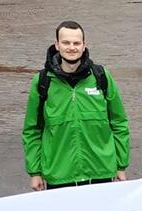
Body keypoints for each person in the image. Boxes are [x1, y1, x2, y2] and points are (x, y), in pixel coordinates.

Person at [21, 20, 130, 190]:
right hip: (59, 176)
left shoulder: (101, 77)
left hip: (100, 172)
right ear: (57, 45)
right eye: (66, 42)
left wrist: (120, 166)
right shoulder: (42, 82)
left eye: (76, 43)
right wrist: (35, 172)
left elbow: (119, 123)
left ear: (84, 45)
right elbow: (32, 130)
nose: (71, 47)